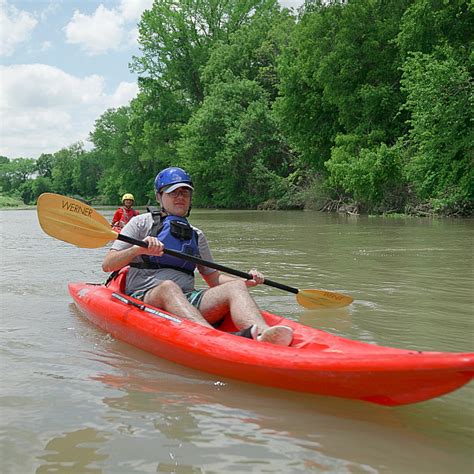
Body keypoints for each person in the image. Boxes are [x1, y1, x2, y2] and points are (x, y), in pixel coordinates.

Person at [102, 167, 293, 346]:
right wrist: (138, 250)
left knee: (235, 287)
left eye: (185, 192)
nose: (180, 197)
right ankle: (212, 339)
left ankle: (265, 334)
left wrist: (246, 281)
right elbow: (108, 265)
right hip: (145, 296)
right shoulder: (140, 223)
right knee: (168, 287)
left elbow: (213, 278)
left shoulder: (196, 234)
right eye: (173, 192)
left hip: (187, 300)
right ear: (159, 196)